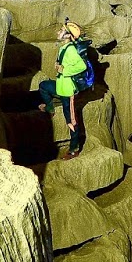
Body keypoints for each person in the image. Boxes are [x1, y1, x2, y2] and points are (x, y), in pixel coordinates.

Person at [39, 20, 93, 159]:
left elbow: (82, 66)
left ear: (68, 36)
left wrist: (65, 70)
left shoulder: (70, 50)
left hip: (68, 92)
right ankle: (50, 108)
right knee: (44, 86)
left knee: (71, 121)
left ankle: (74, 148)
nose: (58, 32)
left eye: (62, 30)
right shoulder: (63, 48)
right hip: (60, 86)